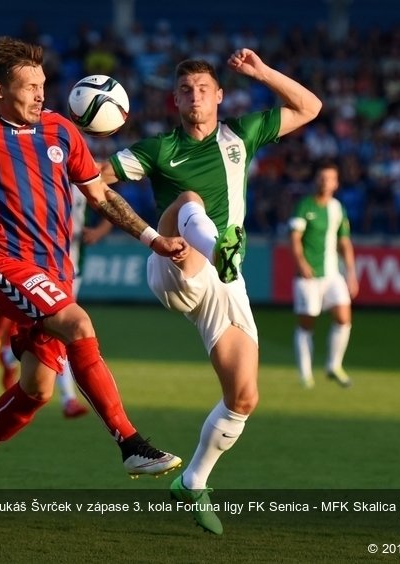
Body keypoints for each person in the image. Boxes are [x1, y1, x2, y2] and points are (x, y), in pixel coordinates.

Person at [0, 36, 188, 504]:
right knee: (78, 324)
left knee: (36, 389)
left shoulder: (61, 130)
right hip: (4, 263)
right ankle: (130, 443)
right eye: (29, 86)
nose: (40, 94)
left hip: (56, 273)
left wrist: (154, 240)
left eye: (42, 84)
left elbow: (102, 196)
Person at [99, 50, 322, 534]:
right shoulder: (157, 150)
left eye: (203, 88)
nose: (195, 96)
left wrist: (263, 73)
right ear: (173, 99)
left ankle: (194, 481)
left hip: (223, 282)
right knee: (189, 200)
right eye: (185, 90)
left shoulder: (241, 135)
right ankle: (220, 244)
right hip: (173, 261)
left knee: (243, 397)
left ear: (220, 95)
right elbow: (94, 181)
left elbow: (310, 109)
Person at [0, 185, 112, 418]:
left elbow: (108, 202)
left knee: (56, 332)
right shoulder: (41, 174)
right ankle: (68, 399)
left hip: (73, 266)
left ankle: (8, 355)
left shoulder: (83, 174)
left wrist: (99, 231)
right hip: (42, 266)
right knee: (64, 332)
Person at [289, 161, 358, 389]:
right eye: (322, 177)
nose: (325, 182)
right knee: (307, 324)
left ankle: (333, 365)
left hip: (332, 275)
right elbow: (295, 238)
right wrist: (301, 263)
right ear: (316, 179)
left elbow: (344, 241)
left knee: (343, 319)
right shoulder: (304, 205)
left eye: (330, 178)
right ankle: (305, 374)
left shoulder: (337, 208)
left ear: (336, 183)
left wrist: (351, 273)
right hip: (308, 277)